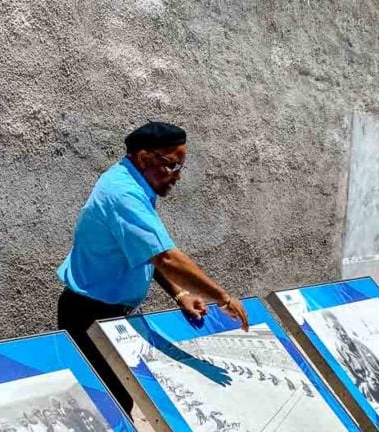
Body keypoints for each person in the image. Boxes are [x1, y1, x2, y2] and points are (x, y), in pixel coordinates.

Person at [56, 121, 249, 414]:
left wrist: (180, 294)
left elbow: (144, 251)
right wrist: (222, 298)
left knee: (118, 399)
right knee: (110, 406)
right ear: (145, 158)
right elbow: (166, 258)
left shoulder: (133, 184)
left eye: (181, 167)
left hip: (108, 313)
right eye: (172, 166)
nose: (177, 176)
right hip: (88, 315)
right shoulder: (123, 194)